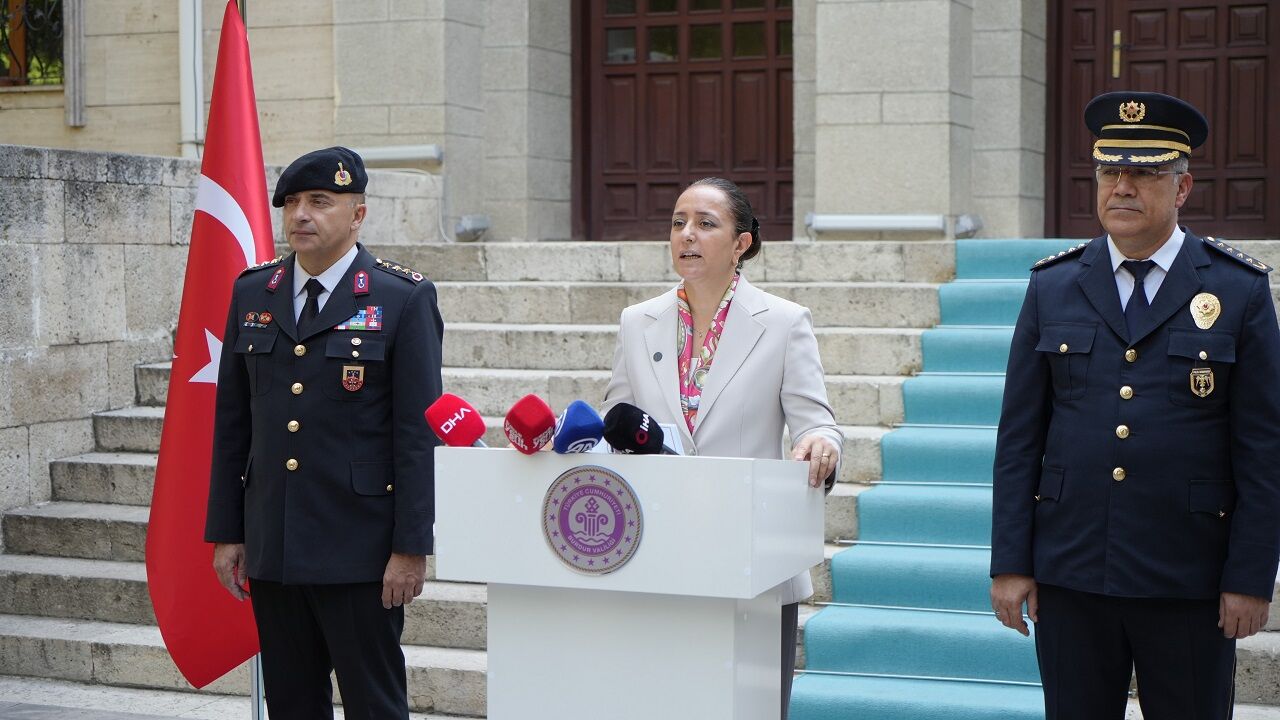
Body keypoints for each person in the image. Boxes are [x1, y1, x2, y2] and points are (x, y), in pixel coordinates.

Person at [990, 92, 1280, 719]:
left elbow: (1263, 450)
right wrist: (1011, 562)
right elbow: (1019, 439)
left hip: (1189, 577)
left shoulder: (1238, 289)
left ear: (1182, 187)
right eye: (1108, 172)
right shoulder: (1053, 284)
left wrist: (1250, 577)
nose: (1122, 187)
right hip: (1071, 573)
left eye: (1144, 172)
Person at [204, 146, 444, 719]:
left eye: (319, 201)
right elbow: (233, 422)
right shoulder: (252, 292)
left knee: (374, 704)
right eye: (290, 203)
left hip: (360, 552)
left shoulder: (400, 298)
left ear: (357, 213)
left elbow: (416, 435)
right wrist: (228, 530)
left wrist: (410, 549)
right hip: (275, 543)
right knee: (292, 704)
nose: (300, 215)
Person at [602, 177, 843, 719]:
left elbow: (817, 423)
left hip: (753, 556)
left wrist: (819, 444)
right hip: (658, 556)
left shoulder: (783, 323)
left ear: (741, 244)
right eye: (678, 222)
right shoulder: (637, 322)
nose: (687, 234)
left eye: (706, 224)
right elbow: (617, 424)